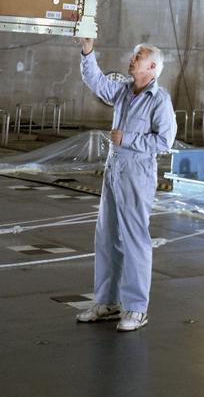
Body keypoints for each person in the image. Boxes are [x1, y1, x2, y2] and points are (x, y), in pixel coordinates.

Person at [74, 34, 175, 332]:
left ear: (152, 67)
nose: (131, 60)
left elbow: (165, 141)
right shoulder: (122, 92)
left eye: (138, 57)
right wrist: (87, 49)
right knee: (106, 239)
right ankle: (106, 302)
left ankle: (135, 309)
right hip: (115, 171)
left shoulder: (160, 100)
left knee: (134, 240)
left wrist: (128, 139)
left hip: (137, 175)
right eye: (133, 55)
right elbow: (95, 80)